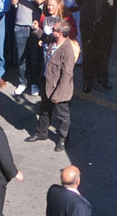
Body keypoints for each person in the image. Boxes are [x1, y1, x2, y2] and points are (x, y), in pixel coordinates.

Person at [29, 19, 79, 151]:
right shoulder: (53, 39)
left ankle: (63, 139)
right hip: (47, 83)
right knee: (44, 110)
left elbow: (67, 75)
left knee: (63, 116)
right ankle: (42, 133)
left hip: (59, 90)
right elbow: (44, 37)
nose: (51, 31)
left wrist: (58, 94)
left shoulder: (67, 51)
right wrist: (36, 29)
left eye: (54, 29)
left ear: (60, 34)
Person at [76, 0, 117, 91]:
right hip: (88, 24)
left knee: (104, 52)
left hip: (105, 25)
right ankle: (87, 81)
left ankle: (102, 78)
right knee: (89, 53)